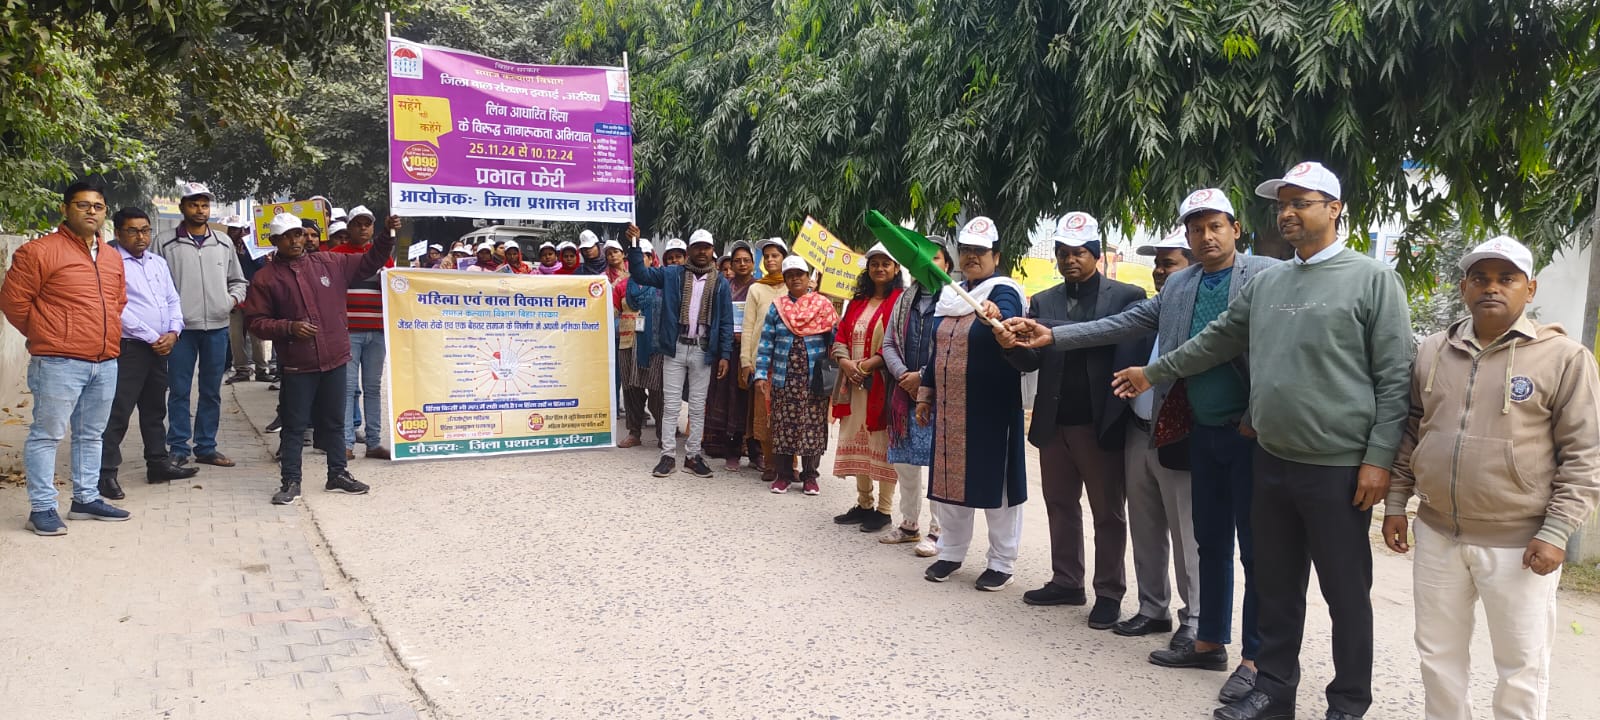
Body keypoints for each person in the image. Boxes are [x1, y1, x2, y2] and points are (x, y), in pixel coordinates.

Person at [1113, 162, 1414, 720]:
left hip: (1339, 467)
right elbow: (1216, 340)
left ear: (1335, 209)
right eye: (1283, 204)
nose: (1288, 212)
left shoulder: (1372, 279)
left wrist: (1379, 460)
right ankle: (1274, 691)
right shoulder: (1269, 282)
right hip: (1271, 458)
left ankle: (1348, 703)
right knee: (1276, 586)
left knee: (1346, 593)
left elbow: (1396, 378)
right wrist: (1153, 373)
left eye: (1302, 202)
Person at [1007, 192, 1279, 703]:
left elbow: (1218, 344)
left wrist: (1151, 373)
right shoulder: (1181, 285)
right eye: (1196, 228)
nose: (1206, 237)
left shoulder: (1267, 274)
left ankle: (1258, 659)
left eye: (1215, 226)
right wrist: (1053, 336)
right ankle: (1207, 640)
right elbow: (1121, 325)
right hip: (1194, 428)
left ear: (1236, 228)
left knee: (1256, 550)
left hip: (1249, 431)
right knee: (1210, 544)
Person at [1384, 236, 1600, 720]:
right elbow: (1413, 429)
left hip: (1519, 543)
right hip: (1437, 532)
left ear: (1530, 288)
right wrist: (1397, 502)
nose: (1491, 288)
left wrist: (1556, 531)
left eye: (1506, 279)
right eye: (1480, 278)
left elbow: (1585, 455)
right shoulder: (1435, 350)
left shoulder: (1564, 358)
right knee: (1437, 655)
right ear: (1464, 287)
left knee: (1521, 666)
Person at [994, 212, 1146, 625]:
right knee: (1060, 504)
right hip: (1054, 420)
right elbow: (1032, 360)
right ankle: (1067, 580)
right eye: (1062, 253)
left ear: (1096, 254)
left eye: (1079, 252)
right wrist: (1009, 344)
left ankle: (1109, 592)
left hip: (1100, 422)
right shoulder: (1043, 300)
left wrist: (1048, 329)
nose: (1070, 260)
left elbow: (1109, 333)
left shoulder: (1127, 297)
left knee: (1107, 513)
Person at [0, 180, 132, 534]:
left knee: (91, 435)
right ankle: (42, 508)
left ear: (105, 212)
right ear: (65, 209)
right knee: (47, 435)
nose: (91, 212)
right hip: (59, 361)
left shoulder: (111, 256)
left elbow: (118, 301)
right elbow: (13, 302)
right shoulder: (39, 252)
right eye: (82, 205)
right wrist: (48, 333)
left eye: (98, 206)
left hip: (105, 361)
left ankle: (86, 499)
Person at [244, 212, 397, 505]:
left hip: (334, 357)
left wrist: (387, 235)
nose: (294, 241)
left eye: (298, 234)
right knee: (294, 425)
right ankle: (291, 481)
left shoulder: (329, 262)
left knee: (335, 421)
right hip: (298, 363)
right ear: (274, 241)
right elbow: (256, 322)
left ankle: (337, 474)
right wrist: (289, 327)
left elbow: (370, 261)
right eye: (286, 237)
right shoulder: (265, 278)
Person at [916, 216, 1028, 591]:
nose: (971, 257)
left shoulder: (1004, 291)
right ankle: (950, 552)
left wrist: (998, 316)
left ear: (996, 256)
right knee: (950, 486)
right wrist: (926, 393)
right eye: (965, 250)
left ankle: (1001, 561)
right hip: (950, 411)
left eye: (980, 251)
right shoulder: (951, 295)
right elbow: (936, 351)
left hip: (990, 409)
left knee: (999, 488)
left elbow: (1010, 324)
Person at [99, 206, 199, 500]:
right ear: (118, 233)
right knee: (118, 411)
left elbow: (172, 299)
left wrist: (174, 331)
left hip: (160, 347)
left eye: (145, 230)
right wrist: (153, 336)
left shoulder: (157, 262)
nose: (140, 236)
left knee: (155, 409)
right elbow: (115, 308)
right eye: (132, 231)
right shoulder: (110, 261)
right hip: (129, 347)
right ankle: (105, 474)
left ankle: (158, 464)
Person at [625, 226, 735, 479]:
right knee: (671, 405)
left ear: (712, 250)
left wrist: (725, 355)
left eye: (706, 248)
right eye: (697, 247)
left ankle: (693, 456)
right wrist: (634, 244)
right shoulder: (672, 274)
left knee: (697, 406)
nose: (701, 252)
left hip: (703, 350)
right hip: (675, 348)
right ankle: (667, 455)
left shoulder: (720, 282)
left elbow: (726, 322)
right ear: (689, 251)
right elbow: (640, 273)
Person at [157, 182, 248, 468]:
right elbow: (154, 284)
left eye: (204, 205)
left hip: (217, 328)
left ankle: (206, 447)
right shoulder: (164, 242)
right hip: (180, 330)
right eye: (194, 204)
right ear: (182, 207)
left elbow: (238, 280)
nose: (200, 210)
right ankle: (178, 448)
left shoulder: (223, 243)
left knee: (211, 391)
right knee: (179, 390)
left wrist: (229, 301)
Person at [880, 240, 953, 556]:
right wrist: (904, 376)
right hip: (904, 394)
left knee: (939, 465)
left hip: (940, 395)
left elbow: (951, 346)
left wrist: (922, 377)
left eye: (934, 257)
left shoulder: (954, 300)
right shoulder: (903, 300)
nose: (927, 262)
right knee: (906, 464)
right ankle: (909, 524)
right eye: (921, 257)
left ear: (946, 265)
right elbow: (888, 344)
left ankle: (939, 531)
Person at [831, 244, 907, 532]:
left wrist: (866, 366)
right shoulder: (858, 301)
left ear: (896, 268)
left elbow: (898, 341)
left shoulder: (901, 302)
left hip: (882, 385)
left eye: (886, 263)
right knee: (858, 441)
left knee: (882, 443)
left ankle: (884, 510)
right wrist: (846, 363)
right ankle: (864, 504)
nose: (880, 268)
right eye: (874, 263)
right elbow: (840, 335)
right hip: (853, 384)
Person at [753, 256, 840, 494]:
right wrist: (760, 374)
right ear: (785, 279)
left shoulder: (823, 305)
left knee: (812, 427)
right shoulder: (777, 306)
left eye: (799, 274)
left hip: (814, 380)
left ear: (807, 277)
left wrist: (837, 325)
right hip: (784, 378)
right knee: (784, 427)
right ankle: (783, 475)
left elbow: (836, 340)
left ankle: (810, 476)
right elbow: (766, 342)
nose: (795, 279)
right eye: (790, 275)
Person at [328, 205, 394, 461]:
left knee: (373, 388)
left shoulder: (384, 257)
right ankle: (346, 442)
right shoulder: (336, 255)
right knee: (347, 388)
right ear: (349, 227)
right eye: (358, 224)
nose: (363, 228)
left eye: (367, 224)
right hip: (348, 331)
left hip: (377, 331)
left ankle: (374, 442)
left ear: (373, 228)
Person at [741, 238, 793, 482]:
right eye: (767, 256)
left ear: (784, 258)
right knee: (764, 415)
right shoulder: (756, 289)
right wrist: (745, 360)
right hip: (761, 362)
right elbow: (748, 326)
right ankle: (770, 463)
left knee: (790, 414)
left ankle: (791, 464)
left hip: (790, 361)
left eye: (775, 255)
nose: (770, 260)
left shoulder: (796, 286)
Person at [704, 240, 757, 469]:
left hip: (752, 353)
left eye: (746, 260)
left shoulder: (759, 288)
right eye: (737, 261)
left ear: (753, 263)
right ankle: (731, 451)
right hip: (727, 350)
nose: (742, 264)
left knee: (752, 402)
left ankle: (755, 452)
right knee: (728, 400)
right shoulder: (723, 287)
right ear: (731, 264)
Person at [621, 238, 669, 447]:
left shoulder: (662, 283)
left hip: (655, 345)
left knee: (658, 389)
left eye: (642, 257)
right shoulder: (624, 284)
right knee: (631, 388)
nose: (637, 262)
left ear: (651, 258)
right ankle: (634, 432)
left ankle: (662, 433)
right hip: (628, 342)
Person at [224, 215, 269, 384]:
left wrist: (247, 254)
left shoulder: (252, 245)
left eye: (235, 229)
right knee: (236, 335)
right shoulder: (225, 246)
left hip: (253, 296)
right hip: (233, 296)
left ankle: (261, 368)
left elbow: (261, 266)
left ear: (243, 230)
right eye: (230, 229)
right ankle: (241, 368)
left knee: (257, 335)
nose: (232, 232)